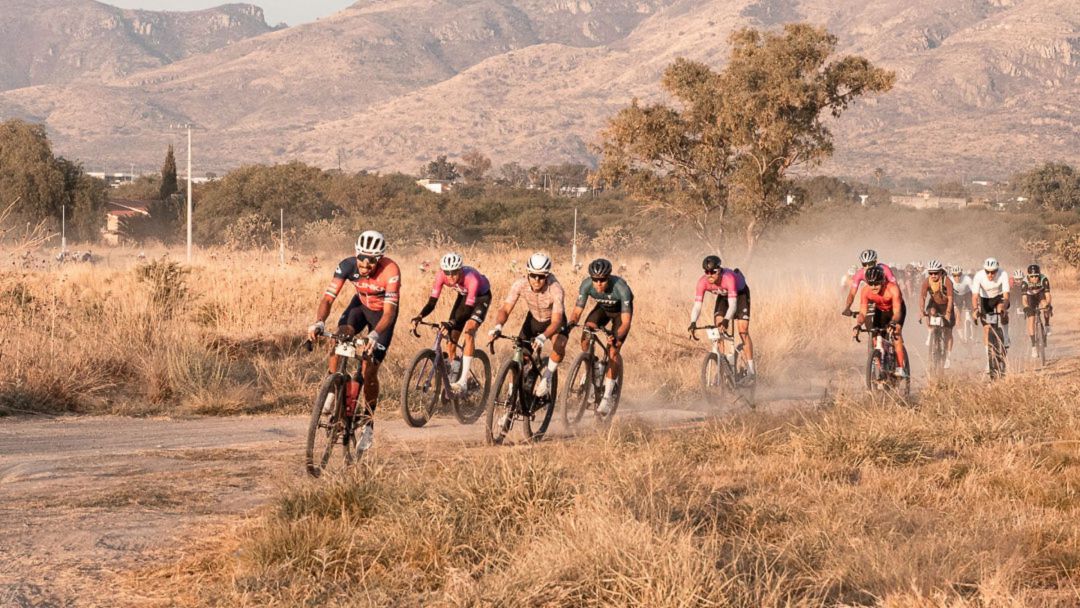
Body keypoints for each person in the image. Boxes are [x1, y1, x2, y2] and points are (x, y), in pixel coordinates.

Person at [307, 230, 399, 452]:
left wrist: (374, 335)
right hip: (359, 307)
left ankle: (368, 423)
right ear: (356, 254)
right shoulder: (346, 265)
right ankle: (331, 389)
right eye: (362, 260)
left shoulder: (391, 271)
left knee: (369, 370)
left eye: (371, 262)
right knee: (339, 336)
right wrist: (319, 322)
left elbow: (388, 313)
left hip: (381, 317)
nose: (365, 266)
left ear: (379, 259)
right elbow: (328, 299)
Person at [488, 253, 568, 398]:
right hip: (534, 320)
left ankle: (547, 379)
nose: (537, 280)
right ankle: (512, 397)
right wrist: (498, 326)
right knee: (520, 357)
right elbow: (505, 309)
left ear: (547, 275)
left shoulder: (556, 289)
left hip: (553, 321)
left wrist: (543, 337)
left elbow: (556, 322)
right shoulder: (520, 284)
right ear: (528, 274)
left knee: (559, 346)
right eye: (533, 275)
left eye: (541, 276)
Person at [412, 253, 492, 394]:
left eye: (454, 273)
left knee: (469, 330)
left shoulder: (471, 278)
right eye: (447, 273)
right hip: (464, 296)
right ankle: (454, 375)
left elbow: (467, 310)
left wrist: (451, 322)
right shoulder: (440, 276)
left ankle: (463, 382)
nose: (450, 277)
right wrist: (419, 316)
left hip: (480, 297)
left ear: (460, 270)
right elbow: (432, 302)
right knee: (450, 341)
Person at [567, 258, 634, 416]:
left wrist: (615, 336)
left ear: (608, 277)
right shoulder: (586, 285)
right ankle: (595, 365)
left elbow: (626, 322)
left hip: (620, 314)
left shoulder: (621, 288)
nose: (598, 284)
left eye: (602, 280)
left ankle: (608, 394)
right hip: (603, 309)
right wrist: (570, 324)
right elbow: (577, 312)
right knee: (586, 332)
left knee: (613, 351)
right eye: (595, 280)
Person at [688, 255, 755, 376]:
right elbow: (697, 305)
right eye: (706, 272)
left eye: (713, 272)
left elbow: (733, 305)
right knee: (717, 329)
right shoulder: (702, 282)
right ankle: (724, 367)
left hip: (740, 295)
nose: (709, 275)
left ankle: (751, 369)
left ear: (719, 270)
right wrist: (693, 322)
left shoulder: (728, 278)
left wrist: (726, 320)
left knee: (743, 330)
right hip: (724, 296)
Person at [855, 264, 908, 377]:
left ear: (883, 281)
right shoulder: (865, 291)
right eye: (871, 283)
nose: (873, 286)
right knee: (875, 335)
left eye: (876, 283)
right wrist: (858, 324)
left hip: (896, 310)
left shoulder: (893, 289)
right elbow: (863, 312)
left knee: (896, 333)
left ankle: (900, 367)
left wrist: (893, 323)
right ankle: (881, 370)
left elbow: (898, 312)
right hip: (880, 310)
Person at [971, 257, 1011, 365]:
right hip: (985, 300)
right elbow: (975, 296)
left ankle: (1006, 337)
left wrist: (1004, 307)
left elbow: (1006, 295)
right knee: (986, 329)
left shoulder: (1003, 274)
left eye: (993, 272)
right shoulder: (979, 276)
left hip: (999, 297)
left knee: (1001, 310)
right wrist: (975, 310)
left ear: (997, 270)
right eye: (987, 272)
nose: (990, 275)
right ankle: (989, 362)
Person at [919, 259, 955, 368]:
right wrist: (921, 311)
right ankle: (930, 331)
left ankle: (948, 357)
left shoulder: (947, 281)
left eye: (936, 273)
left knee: (948, 331)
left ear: (940, 272)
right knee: (931, 311)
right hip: (935, 303)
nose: (933, 275)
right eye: (931, 273)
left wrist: (948, 312)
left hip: (946, 304)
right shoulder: (927, 281)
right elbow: (922, 297)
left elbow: (950, 298)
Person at [843, 249, 896, 314]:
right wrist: (847, 307)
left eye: (870, 263)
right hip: (873, 296)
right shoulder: (859, 274)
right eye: (864, 264)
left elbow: (894, 286)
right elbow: (852, 293)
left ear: (875, 262)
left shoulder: (884, 269)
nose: (867, 267)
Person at [1021, 263, 1053, 355]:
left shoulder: (1044, 279)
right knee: (1031, 319)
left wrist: (1048, 305)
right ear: (1028, 276)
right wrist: (1026, 307)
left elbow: (1048, 295)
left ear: (1039, 275)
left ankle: (1047, 325)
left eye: (1036, 276)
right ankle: (1033, 346)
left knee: (1045, 304)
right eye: (1032, 276)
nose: (1034, 278)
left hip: (1040, 294)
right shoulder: (1025, 282)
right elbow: (1024, 299)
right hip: (1030, 297)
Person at [950, 265, 974, 341]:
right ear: (952, 275)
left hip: (967, 295)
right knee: (957, 316)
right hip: (957, 296)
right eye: (955, 275)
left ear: (962, 274)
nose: (957, 277)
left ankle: (973, 333)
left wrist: (976, 303)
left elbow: (974, 292)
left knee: (971, 314)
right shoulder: (950, 280)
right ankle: (961, 338)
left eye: (959, 275)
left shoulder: (967, 279)